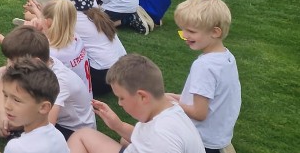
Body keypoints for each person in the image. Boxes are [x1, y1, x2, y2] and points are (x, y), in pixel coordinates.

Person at [66, 54, 205, 153]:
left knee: (81, 136)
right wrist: (118, 125)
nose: (119, 103)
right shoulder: (170, 108)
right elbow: (144, 136)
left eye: (121, 98)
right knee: (124, 140)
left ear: (142, 97)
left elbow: (153, 140)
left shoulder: (160, 137)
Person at [0, 27, 94, 141]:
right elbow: (4, 84)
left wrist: (13, 122)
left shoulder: (59, 81)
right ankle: (8, 127)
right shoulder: (38, 66)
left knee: (29, 130)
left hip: (71, 129)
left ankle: (12, 130)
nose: (9, 65)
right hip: (44, 112)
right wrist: (1, 115)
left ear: (36, 61)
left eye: (13, 61)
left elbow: (47, 127)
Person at [170, 0, 240, 153]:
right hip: (218, 136)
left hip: (200, 140)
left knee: (131, 140)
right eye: (183, 29)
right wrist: (176, 97)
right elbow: (211, 98)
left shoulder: (204, 65)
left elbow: (199, 113)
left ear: (215, 32)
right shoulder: (227, 57)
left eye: (191, 31)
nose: (184, 35)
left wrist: (172, 104)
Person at [43, 0, 127, 96]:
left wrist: (37, 13)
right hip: (118, 70)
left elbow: (46, 27)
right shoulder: (89, 2)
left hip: (103, 78)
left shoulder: (71, 17)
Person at [0, 56, 69, 153]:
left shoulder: (19, 147)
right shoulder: (58, 136)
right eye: (5, 95)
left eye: (16, 100)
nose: (6, 105)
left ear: (43, 107)